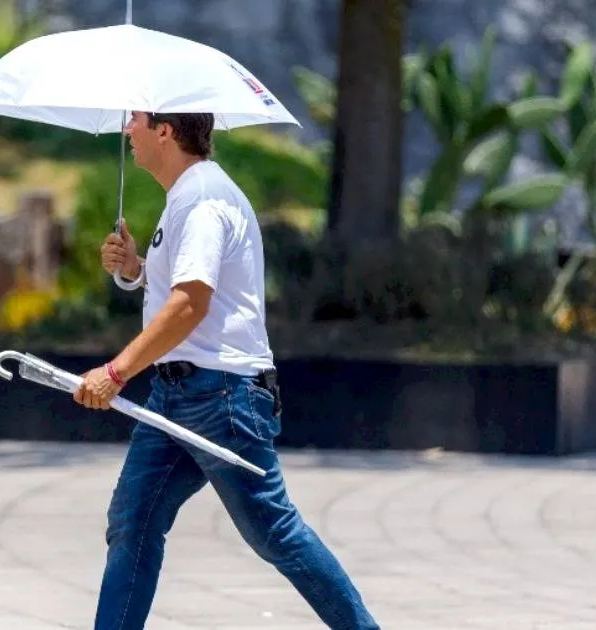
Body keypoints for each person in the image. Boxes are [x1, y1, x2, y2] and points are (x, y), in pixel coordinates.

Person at [72, 110, 380, 630]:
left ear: (165, 130)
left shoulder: (204, 200)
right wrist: (136, 271)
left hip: (221, 398)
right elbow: (190, 292)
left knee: (273, 533)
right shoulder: (188, 198)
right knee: (133, 522)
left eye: (137, 120)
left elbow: (191, 304)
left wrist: (116, 372)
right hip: (181, 394)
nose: (128, 130)